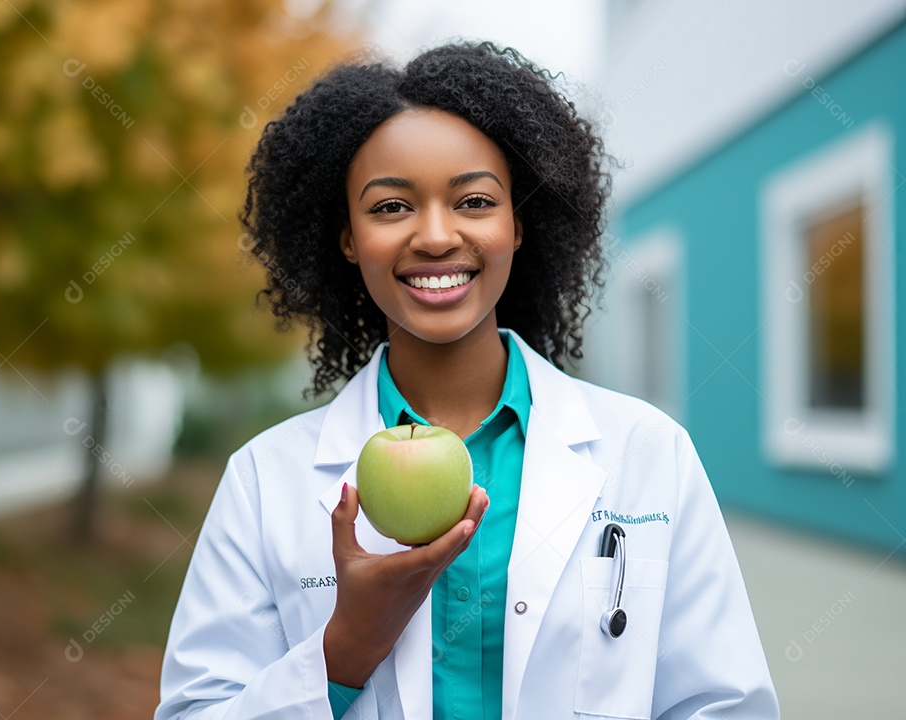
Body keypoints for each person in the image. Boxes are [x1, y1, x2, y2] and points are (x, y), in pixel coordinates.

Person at [155, 41, 779, 720]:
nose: (435, 236)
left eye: (474, 201)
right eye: (390, 207)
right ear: (346, 237)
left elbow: (725, 705)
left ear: (519, 223)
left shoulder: (651, 452)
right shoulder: (263, 481)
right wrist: (346, 648)